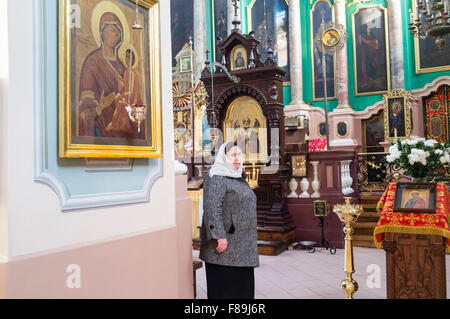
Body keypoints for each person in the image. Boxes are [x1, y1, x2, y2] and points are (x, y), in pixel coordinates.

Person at [199, 141, 259, 299]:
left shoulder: (238, 177)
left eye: (239, 154)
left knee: (242, 291)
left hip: (241, 247)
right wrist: (219, 236)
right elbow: (212, 208)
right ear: (223, 157)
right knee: (225, 292)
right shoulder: (216, 177)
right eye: (233, 155)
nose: (237, 158)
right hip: (224, 247)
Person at [78, 12, 139, 139]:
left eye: (118, 31)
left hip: (123, 131)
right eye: (112, 29)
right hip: (100, 130)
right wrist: (101, 106)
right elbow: (84, 110)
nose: (116, 33)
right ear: (102, 32)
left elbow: (132, 98)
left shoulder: (123, 66)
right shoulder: (92, 62)